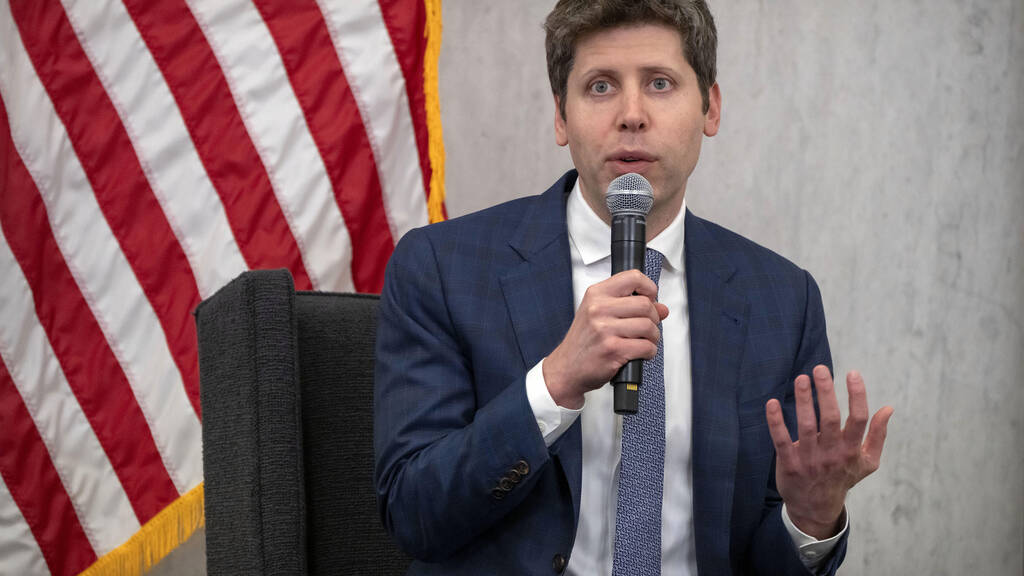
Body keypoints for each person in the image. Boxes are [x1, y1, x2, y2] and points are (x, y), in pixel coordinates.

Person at [374, 1, 894, 574]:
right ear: (560, 116)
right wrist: (553, 384)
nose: (631, 115)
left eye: (660, 83)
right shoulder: (442, 267)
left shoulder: (783, 299)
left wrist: (811, 518)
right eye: (600, 86)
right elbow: (412, 513)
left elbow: (760, 558)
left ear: (710, 108)